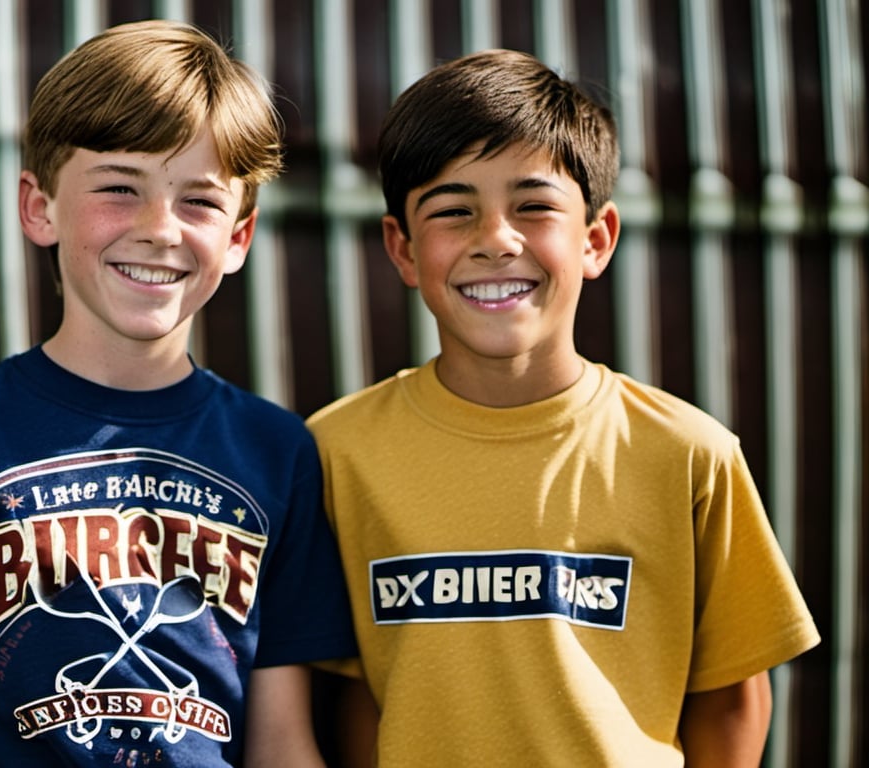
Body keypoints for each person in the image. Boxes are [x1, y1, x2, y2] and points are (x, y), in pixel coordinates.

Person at [0, 19, 355, 767]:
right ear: (39, 207)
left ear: (239, 236)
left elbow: (282, 738)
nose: (159, 229)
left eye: (199, 201)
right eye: (118, 189)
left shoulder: (278, 450)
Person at [307, 49, 820, 766]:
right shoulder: (335, 452)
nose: (496, 240)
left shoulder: (688, 452)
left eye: (534, 206)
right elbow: (352, 697)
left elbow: (733, 700)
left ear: (596, 238)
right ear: (403, 249)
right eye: (454, 210)